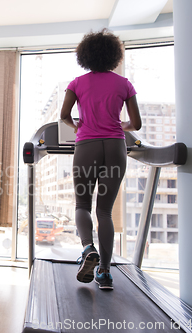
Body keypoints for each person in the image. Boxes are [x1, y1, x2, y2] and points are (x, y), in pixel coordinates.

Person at [60, 29, 141, 290]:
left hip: (87, 146)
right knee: (104, 211)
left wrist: (78, 125)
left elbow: (64, 116)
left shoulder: (77, 83)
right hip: (116, 147)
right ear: (113, 56)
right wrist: (119, 126)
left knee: (82, 205)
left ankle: (87, 249)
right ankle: (104, 273)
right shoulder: (124, 84)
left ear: (85, 56)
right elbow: (136, 123)